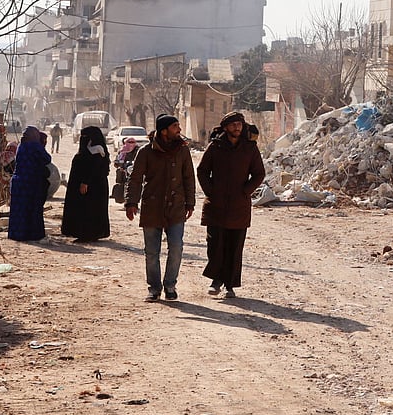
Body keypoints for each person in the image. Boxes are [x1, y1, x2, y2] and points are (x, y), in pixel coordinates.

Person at [196, 111, 266, 299]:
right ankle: (216, 280)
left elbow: (259, 173)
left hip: (239, 206)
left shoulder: (249, 148)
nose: (237, 127)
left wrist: (246, 191)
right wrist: (211, 191)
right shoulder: (215, 147)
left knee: (235, 247)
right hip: (216, 206)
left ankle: (230, 285)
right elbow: (202, 171)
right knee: (215, 245)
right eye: (233, 124)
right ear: (226, 127)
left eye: (239, 124)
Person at [125, 114, 195, 301]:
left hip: (176, 207)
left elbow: (189, 177)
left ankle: (170, 285)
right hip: (152, 206)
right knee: (151, 252)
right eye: (175, 126)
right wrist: (131, 202)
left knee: (176, 247)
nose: (179, 130)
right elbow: (135, 179)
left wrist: (190, 202)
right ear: (164, 131)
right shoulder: (146, 152)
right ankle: (154, 288)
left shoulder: (182, 150)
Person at [61, 126, 111, 242]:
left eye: (85, 137)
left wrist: (85, 182)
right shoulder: (89, 151)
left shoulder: (97, 151)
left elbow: (94, 169)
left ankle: (88, 234)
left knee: (89, 210)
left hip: (92, 187)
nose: (82, 139)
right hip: (89, 186)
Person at [7, 126, 52, 242]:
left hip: (17, 181)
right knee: (32, 209)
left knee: (18, 210)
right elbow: (47, 159)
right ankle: (32, 235)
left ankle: (17, 234)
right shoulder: (34, 146)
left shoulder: (21, 146)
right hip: (30, 182)